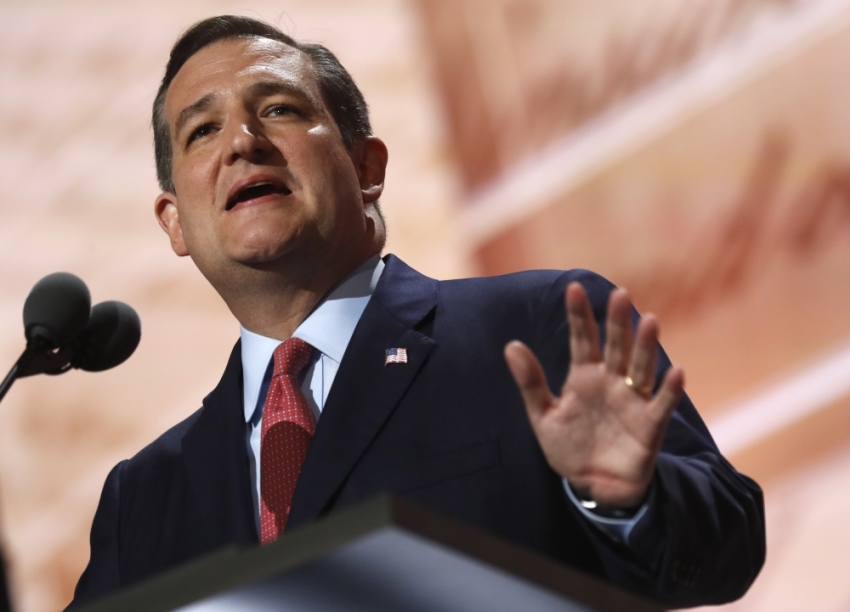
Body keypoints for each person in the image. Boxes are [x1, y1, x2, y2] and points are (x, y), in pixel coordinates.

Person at [68, 15, 765, 609]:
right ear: (175, 225)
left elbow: (728, 547)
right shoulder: (143, 499)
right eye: (201, 131)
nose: (241, 140)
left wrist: (624, 501)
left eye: (279, 108)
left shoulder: (535, 330)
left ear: (366, 166)